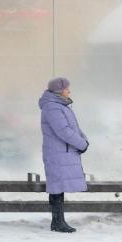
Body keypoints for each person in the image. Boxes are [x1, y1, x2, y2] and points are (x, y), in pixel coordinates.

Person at [39, 77, 89, 233]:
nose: (69, 91)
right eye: (67, 88)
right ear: (60, 91)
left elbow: (73, 129)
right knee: (57, 187)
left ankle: (58, 221)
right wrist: (81, 144)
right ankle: (57, 222)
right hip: (58, 154)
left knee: (58, 187)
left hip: (63, 152)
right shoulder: (53, 108)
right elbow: (63, 131)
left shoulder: (60, 106)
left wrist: (83, 140)